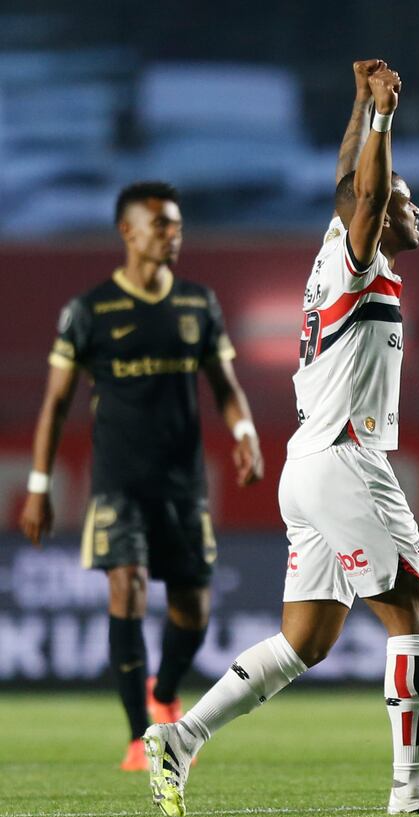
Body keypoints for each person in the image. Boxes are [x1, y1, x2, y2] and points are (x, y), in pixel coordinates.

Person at [142, 60, 419, 817]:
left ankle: (181, 735)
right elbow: (363, 187)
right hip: (342, 458)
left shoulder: (339, 247)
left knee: (305, 639)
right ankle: (412, 787)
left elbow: (347, 180)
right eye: (405, 199)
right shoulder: (360, 259)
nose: (414, 205)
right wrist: (386, 119)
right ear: (377, 213)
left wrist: (361, 104)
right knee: (414, 615)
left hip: (309, 463)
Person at [20, 179, 264, 772]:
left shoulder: (197, 304)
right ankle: (138, 735)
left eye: (177, 225)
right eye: (161, 225)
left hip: (183, 484)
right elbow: (55, 404)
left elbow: (226, 389)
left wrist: (245, 433)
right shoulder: (89, 311)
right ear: (127, 231)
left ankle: (164, 692)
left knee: (193, 610)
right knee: (124, 586)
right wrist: (38, 486)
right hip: (118, 484)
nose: (173, 235)